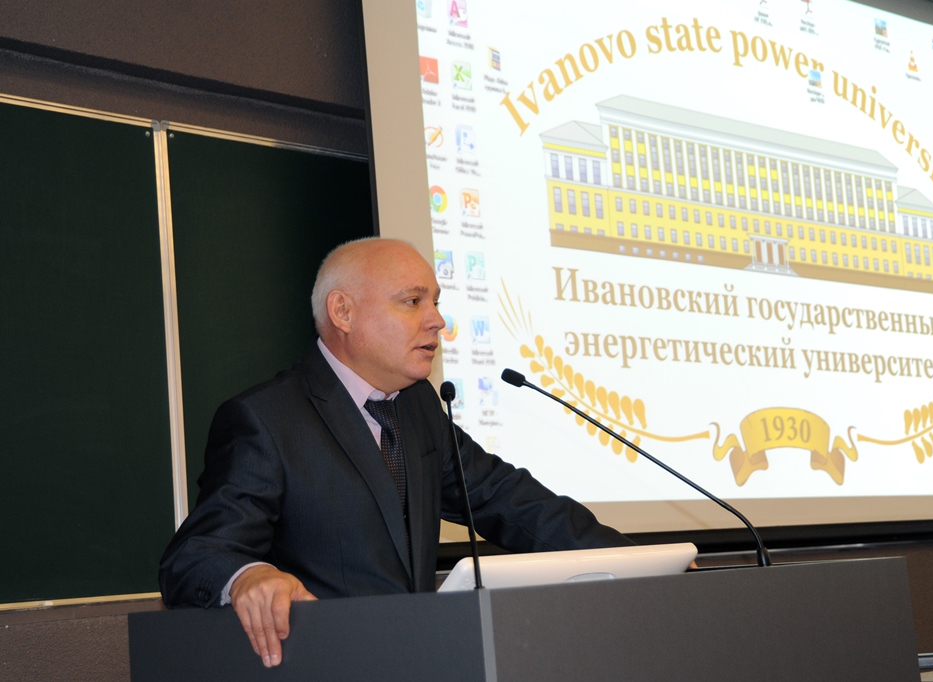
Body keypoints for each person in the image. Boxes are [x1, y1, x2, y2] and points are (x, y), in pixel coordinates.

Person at [159, 237, 632, 668]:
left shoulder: (418, 406)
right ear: (342, 312)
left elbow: (508, 500)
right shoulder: (267, 419)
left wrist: (633, 562)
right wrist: (247, 576)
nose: (437, 320)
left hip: (419, 658)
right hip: (327, 665)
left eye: (436, 302)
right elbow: (196, 554)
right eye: (412, 301)